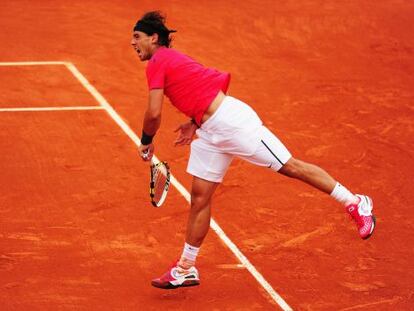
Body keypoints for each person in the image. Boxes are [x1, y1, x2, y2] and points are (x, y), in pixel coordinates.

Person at [131, 11, 376, 290]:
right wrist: (195, 123)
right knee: (200, 198)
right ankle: (186, 268)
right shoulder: (170, 60)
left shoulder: (158, 61)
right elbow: (199, 88)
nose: (133, 43)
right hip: (210, 131)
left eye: (137, 37)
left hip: (233, 123)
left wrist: (147, 141)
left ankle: (355, 201)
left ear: (154, 38)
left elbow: (153, 113)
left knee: (289, 166)